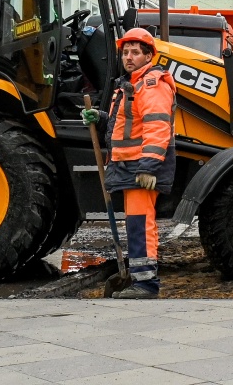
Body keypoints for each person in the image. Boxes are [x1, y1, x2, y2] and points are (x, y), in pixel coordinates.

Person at [84, 28, 177, 299]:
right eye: (125, 52)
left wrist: (148, 166)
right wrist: (100, 118)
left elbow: (157, 127)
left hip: (140, 166)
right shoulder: (130, 84)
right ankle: (141, 280)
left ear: (149, 55)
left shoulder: (151, 84)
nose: (129, 56)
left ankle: (146, 284)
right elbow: (126, 124)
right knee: (135, 223)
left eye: (135, 52)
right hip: (129, 164)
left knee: (140, 223)